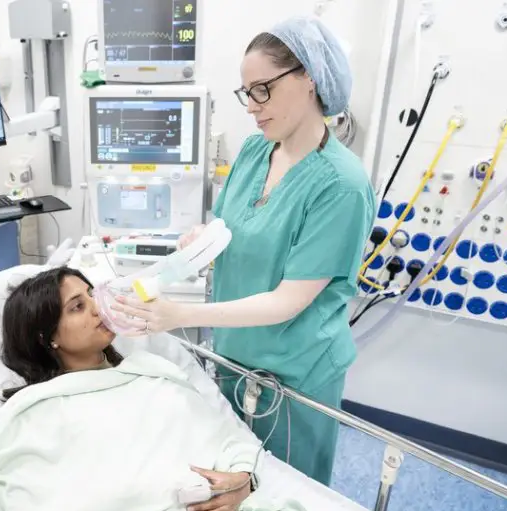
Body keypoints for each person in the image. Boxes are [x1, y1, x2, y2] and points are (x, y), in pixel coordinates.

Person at [110, 15, 376, 486]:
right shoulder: (256, 151)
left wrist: (179, 316)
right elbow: (233, 229)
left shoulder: (341, 186)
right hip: (235, 357)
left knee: (283, 494)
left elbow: (287, 302)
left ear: (309, 80)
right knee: (231, 481)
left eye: (262, 90)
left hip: (294, 374)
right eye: (245, 92)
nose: (251, 106)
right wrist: (203, 242)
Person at [0, 266, 255, 511]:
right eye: (77, 307)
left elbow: (224, 437)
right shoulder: (33, 412)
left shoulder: (153, 372)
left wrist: (244, 479)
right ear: (47, 337)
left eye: (92, 295)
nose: (98, 308)